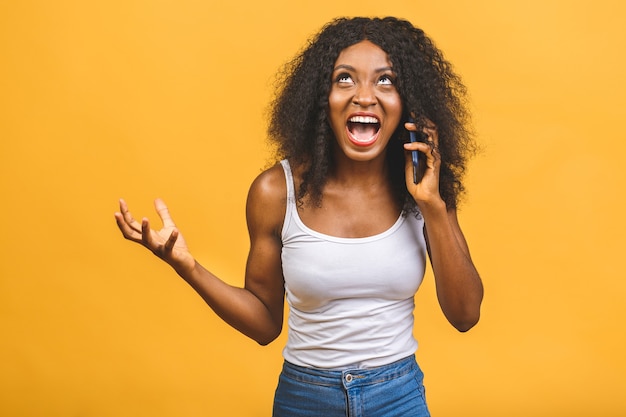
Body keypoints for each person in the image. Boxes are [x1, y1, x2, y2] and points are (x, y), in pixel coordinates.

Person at [115, 16, 483, 417]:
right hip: (305, 399)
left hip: (398, 396)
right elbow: (265, 324)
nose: (364, 96)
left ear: (408, 102)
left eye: (385, 81)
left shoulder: (423, 187)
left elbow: (465, 314)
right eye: (345, 79)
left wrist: (433, 207)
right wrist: (187, 267)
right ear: (320, 98)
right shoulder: (275, 192)